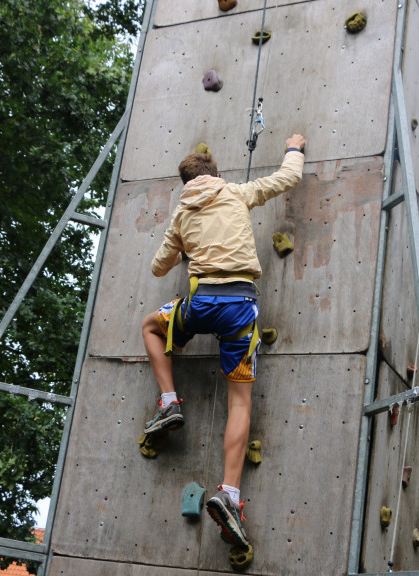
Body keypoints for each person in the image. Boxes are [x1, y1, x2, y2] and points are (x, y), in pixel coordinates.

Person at [141, 134, 306, 550]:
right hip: (239, 307)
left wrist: (185, 243)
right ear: (216, 175)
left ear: (185, 184)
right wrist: (294, 146)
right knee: (240, 400)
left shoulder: (181, 213)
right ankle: (229, 494)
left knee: (151, 327)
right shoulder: (237, 193)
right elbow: (287, 178)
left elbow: (160, 268)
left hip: (199, 303)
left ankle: (169, 403)